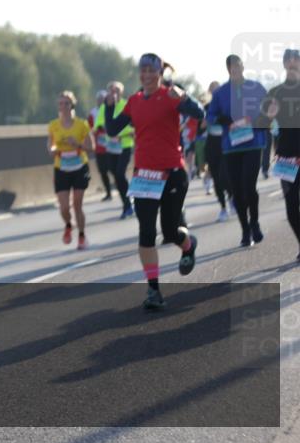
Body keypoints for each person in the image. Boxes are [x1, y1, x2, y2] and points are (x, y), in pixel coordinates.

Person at [104, 54, 202, 311]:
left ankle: (188, 245)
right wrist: (108, 104)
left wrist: (184, 98)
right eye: (143, 70)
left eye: (151, 70)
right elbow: (113, 129)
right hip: (144, 175)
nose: (147, 75)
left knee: (170, 232)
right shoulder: (134, 101)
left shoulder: (171, 95)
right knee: (146, 232)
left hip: (172, 173)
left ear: (160, 73)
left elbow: (199, 113)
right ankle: (153, 289)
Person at [208, 54, 269, 246]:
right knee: (236, 190)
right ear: (228, 70)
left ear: (243, 67)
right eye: (232, 68)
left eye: (238, 66)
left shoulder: (256, 87)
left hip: (253, 143)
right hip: (231, 147)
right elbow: (210, 116)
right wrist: (224, 121)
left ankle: (255, 223)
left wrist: (259, 119)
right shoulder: (220, 93)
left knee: (249, 187)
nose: (236, 70)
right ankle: (245, 230)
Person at [255, 48, 300, 261]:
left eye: (296, 61)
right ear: (283, 65)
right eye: (288, 62)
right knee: (292, 209)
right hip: (286, 159)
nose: (292, 65)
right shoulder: (275, 93)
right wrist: (268, 115)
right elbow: (261, 125)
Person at [48, 91, 95, 249]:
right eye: (60, 104)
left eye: (66, 103)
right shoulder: (53, 125)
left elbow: (91, 147)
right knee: (63, 207)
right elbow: (50, 144)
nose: (63, 107)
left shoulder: (81, 124)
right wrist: (53, 149)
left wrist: (77, 144)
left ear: (72, 105)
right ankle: (69, 224)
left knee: (77, 204)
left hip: (79, 166)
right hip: (61, 166)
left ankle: (82, 236)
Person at [96, 81, 135, 219]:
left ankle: (128, 204)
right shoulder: (104, 107)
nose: (114, 93)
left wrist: (121, 134)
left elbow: (133, 127)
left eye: (117, 90)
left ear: (122, 92)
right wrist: (106, 130)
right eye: (111, 90)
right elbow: (99, 125)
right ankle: (127, 203)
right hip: (111, 147)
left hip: (125, 145)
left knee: (120, 173)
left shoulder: (126, 104)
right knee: (116, 176)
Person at [203, 81, 232, 221]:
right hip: (211, 144)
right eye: (212, 91)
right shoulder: (206, 107)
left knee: (225, 176)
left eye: (217, 90)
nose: (215, 93)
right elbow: (200, 126)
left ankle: (232, 197)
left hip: (225, 142)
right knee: (215, 177)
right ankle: (223, 208)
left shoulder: (227, 106)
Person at [89, 90, 113, 201]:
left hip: (112, 147)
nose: (100, 101)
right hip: (99, 147)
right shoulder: (93, 113)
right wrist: (96, 130)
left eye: (102, 99)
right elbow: (90, 128)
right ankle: (108, 192)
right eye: (98, 99)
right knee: (102, 171)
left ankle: (121, 189)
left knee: (114, 170)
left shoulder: (112, 110)